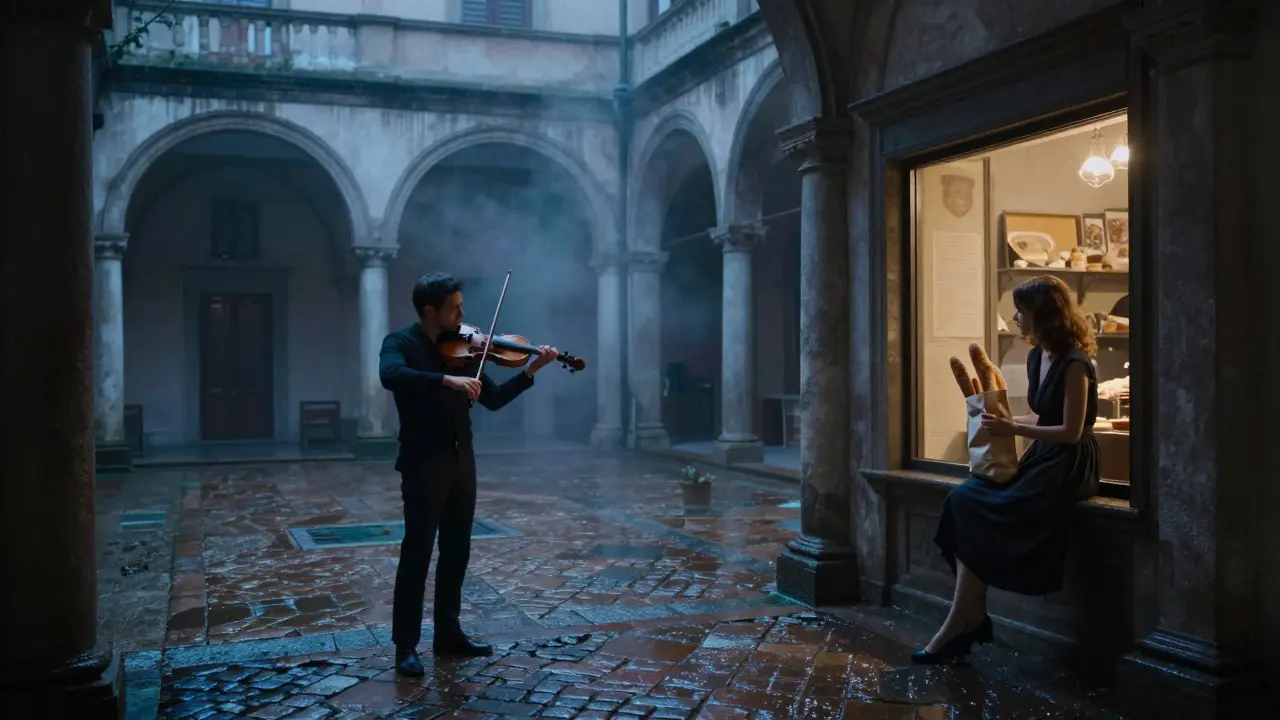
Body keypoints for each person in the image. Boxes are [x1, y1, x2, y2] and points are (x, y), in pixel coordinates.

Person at [379, 272, 560, 677]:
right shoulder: (400, 344)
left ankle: (448, 633)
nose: (463, 314)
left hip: (463, 459)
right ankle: (405, 645)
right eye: (455, 307)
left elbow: (492, 399)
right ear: (430, 311)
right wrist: (446, 379)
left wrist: (532, 370)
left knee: (457, 550)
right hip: (424, 461)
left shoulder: (462, 348)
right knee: (417, 554)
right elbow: (390, 376)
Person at [915, 274, 1100, 665]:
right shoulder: (1037, 356)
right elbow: (1041, 413)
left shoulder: (1075, 363)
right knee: (964, 498)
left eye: (1021, 310)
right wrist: (1001, 418)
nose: (1015, 317)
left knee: (988, 509)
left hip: (1067, 464)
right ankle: (971, 615)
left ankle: (959, 623)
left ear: (1043, 314)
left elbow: (1070, 430)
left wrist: (1013, 428)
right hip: (1042, 456)